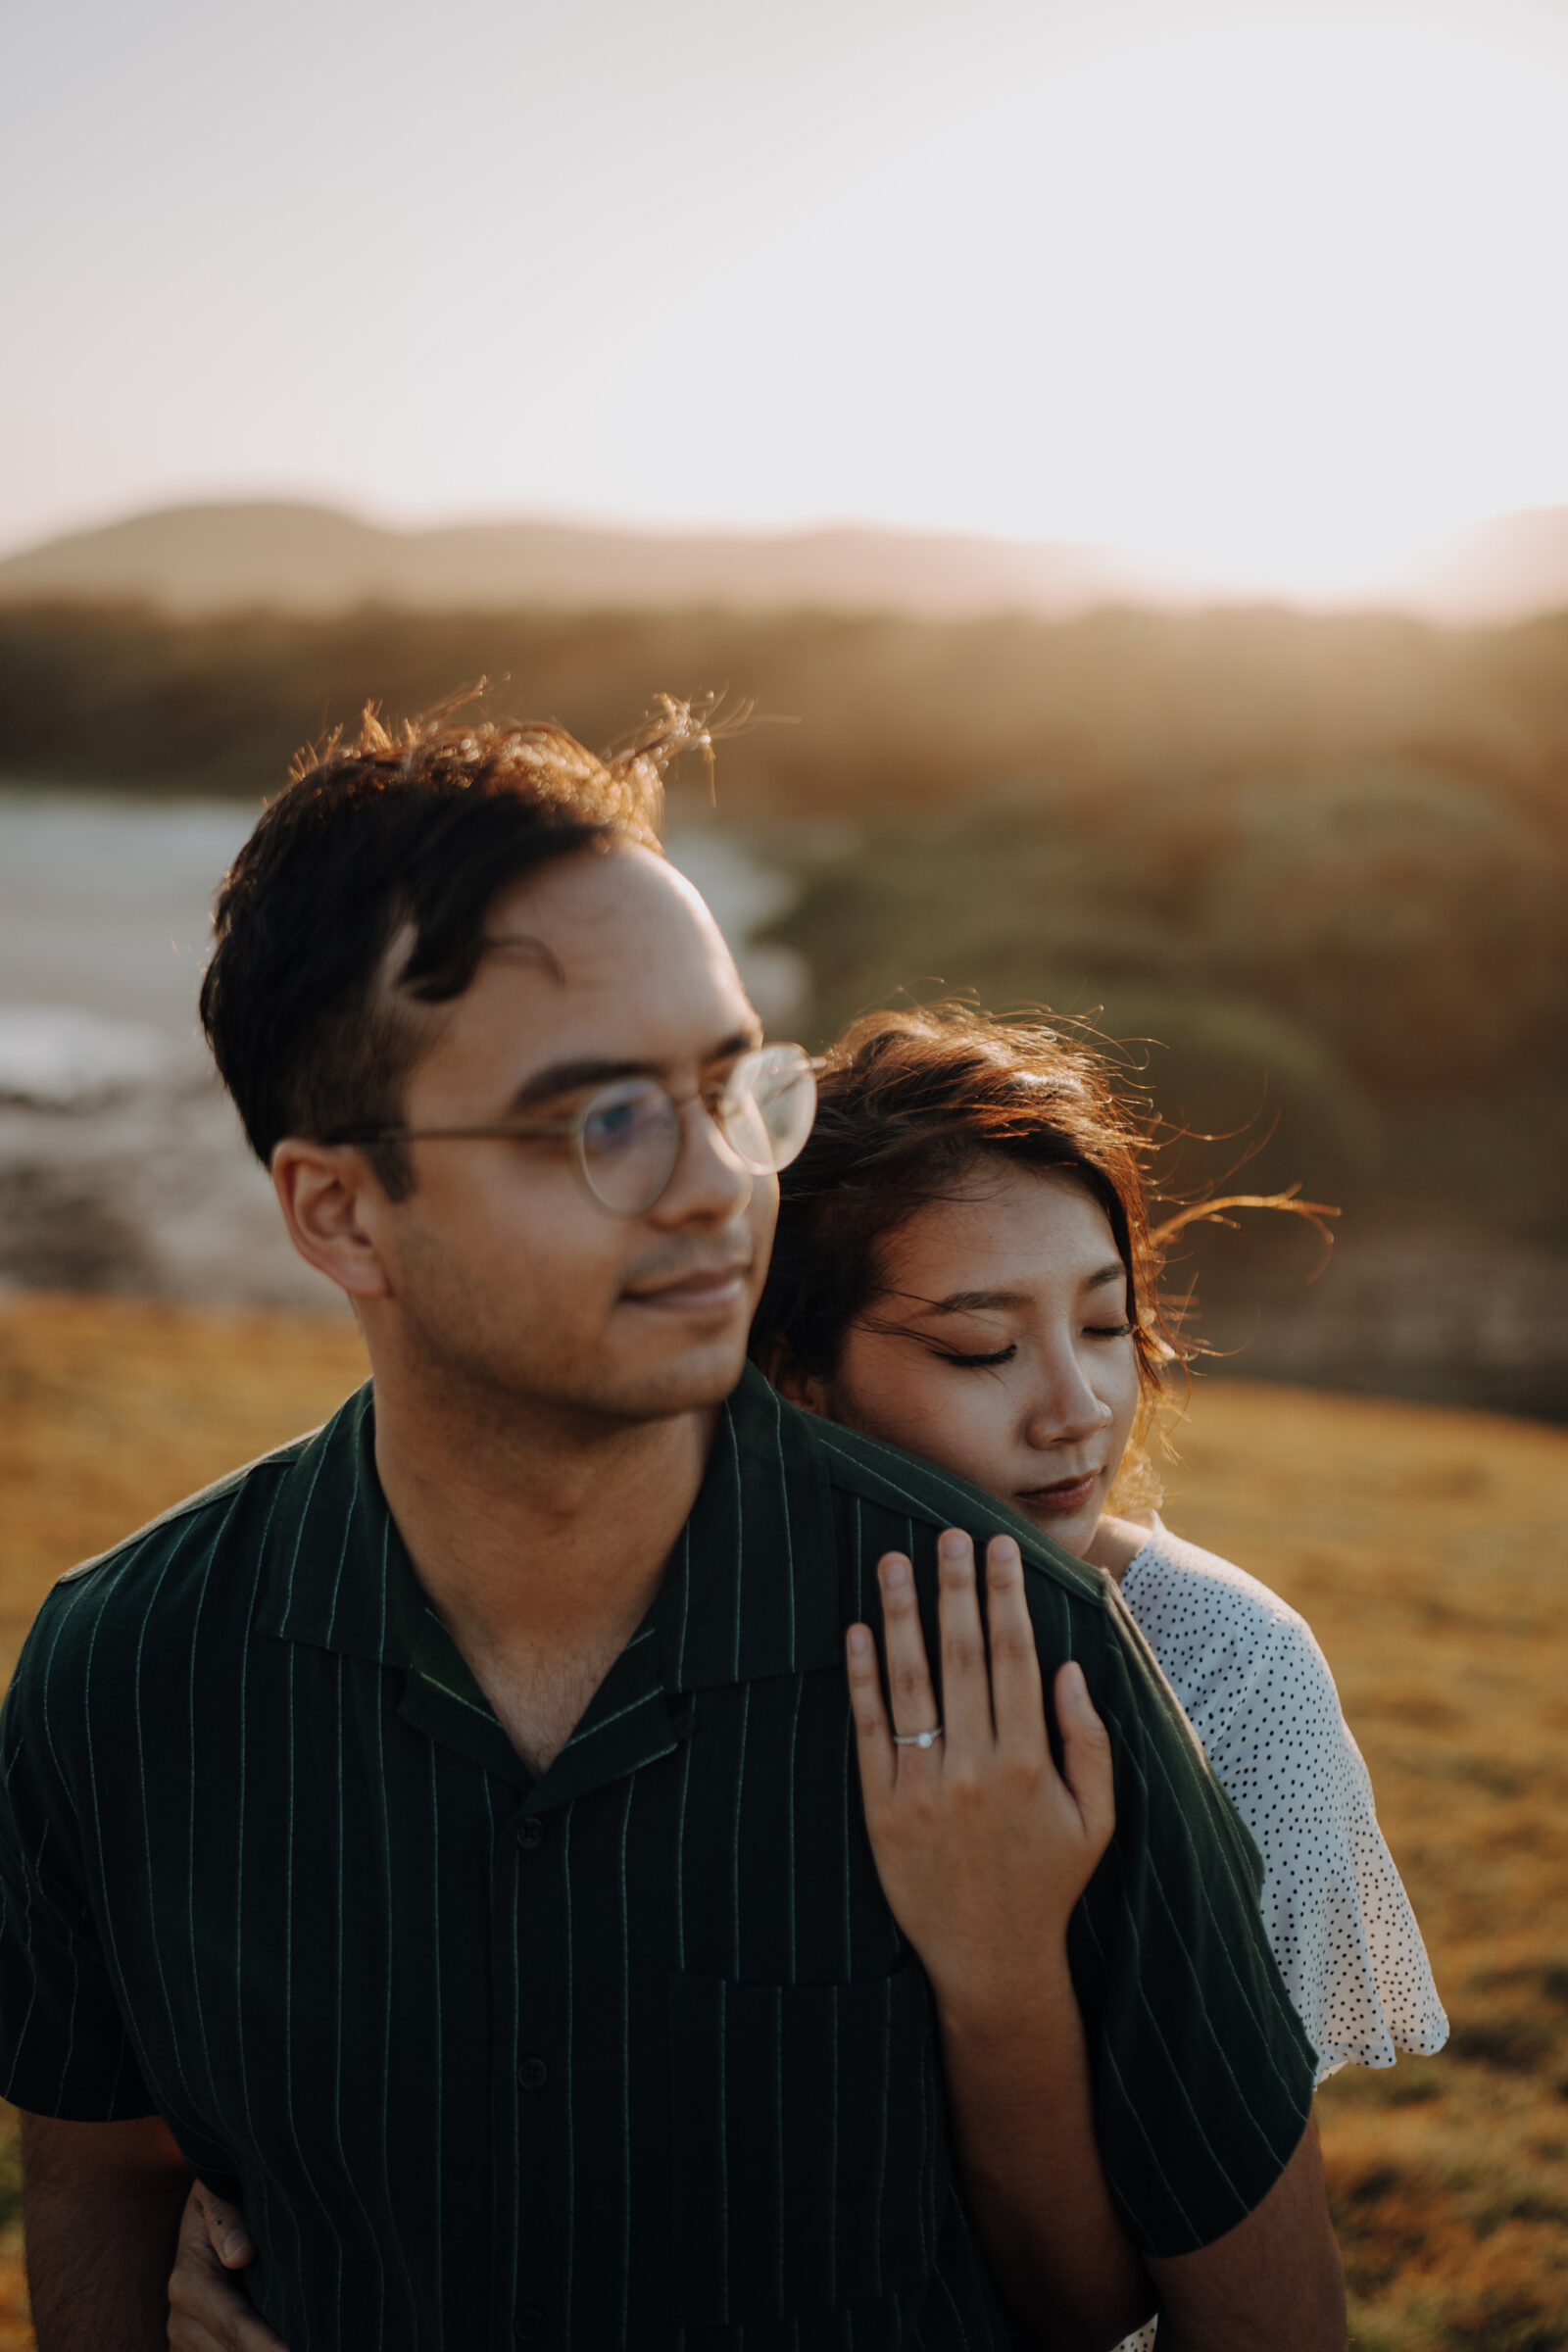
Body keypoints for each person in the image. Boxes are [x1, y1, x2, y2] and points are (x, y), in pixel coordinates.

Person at [0, 708, 1344, 2351]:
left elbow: (1256, 2315)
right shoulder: (125, 1669)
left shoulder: (1026, 1653)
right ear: (338, 1210)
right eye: (601, 1122)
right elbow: (94, 2182)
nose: (717, 1184)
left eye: (726, 1089)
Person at [752, 1004, 1447, 2348]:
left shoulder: (1230, 1674)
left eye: (1107, 1325)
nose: (1075, 1407)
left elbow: (1240, 2290)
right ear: (799, 1378)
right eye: (980, 1348)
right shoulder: (690, 1644)